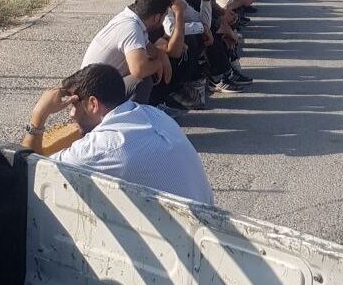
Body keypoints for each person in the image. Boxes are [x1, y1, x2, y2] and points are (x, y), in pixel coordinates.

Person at [22, 64, 213, 204]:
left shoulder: (104, 146)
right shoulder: (152, 114)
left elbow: (29, 170)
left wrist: (39, 114)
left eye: (73, 105)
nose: (71, 114)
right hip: (205, 228)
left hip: (177, 240)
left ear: (93, 104)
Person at [81, 0, 176, 104]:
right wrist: (157, 64)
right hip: (93, 96)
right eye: (164, 16)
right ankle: (133, 115)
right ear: (157, 17)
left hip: (96, 86)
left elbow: (149, 48)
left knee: (148, 64)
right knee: (141, 80)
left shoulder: (132, 18)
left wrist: (161, 55)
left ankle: (152, 106)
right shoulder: (131, 28)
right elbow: (139, 69)